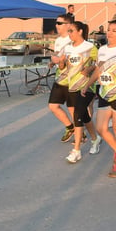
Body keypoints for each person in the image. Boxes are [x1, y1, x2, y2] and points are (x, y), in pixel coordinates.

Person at [82, 20, 116, 177]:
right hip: (105, 94)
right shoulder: (102, 50)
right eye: (109, 30)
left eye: (114, 30)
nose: (110, 33)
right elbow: (98, 70)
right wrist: (88, 85)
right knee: (101, 128)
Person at [61, 21, 101, 163]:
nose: (69, 34)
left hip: (87, 86)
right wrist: (59, 61)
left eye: (71, 31)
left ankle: (76, 150)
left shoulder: (90, 47)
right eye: (68, 31)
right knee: (83, 116)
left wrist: (89, 69)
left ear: (80, 32)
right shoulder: (68, 48)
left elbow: (99, 65)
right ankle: (95, 139)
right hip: (72, 86)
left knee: (77, 114)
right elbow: (63, 67)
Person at [48, 14, 75, 142]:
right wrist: (53, 62)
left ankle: (82, 133)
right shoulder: (58, 40)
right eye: (56, 23)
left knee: (72, 108)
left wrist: (59, 61)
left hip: (72, 79)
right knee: (53, 106)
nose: (56, 25)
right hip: (60, 79)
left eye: (59, 23)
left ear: (68, 25)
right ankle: (70, 127)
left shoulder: (73, 40)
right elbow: (57, 56)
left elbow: (73, 61)